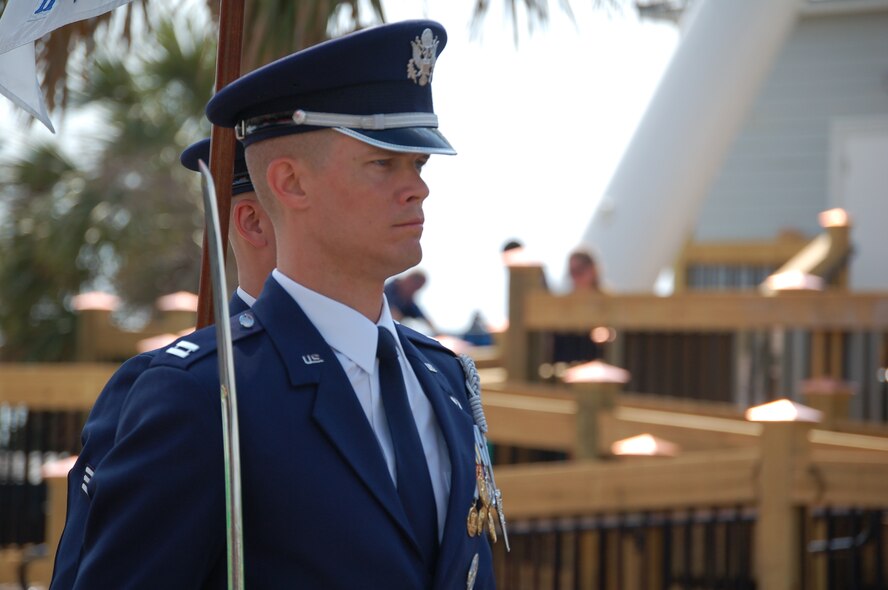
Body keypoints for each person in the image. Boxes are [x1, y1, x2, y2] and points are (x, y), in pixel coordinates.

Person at [69, 20, 498, 590]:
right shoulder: (203, 396)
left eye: (417, 166)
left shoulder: (444, 378)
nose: (418, 188)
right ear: (291, 184)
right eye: (382, 163)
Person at [49, 138, 276, 589]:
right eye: (377, 165)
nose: (417, 190)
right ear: (251, 219)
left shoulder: (431, 376)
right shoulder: (171, 384)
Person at [550, 248, 604, 366]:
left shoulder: (608, 301)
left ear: (592, 270)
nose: (575, 276)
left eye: (580, 270)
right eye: (572, 272)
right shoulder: (563, 303)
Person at [384, 269, 437, 334]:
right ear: (409, 281)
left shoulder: (407, 301)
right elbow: (392, 314)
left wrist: (437, 332)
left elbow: (423, 318)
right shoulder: (386, 290)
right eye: (415, 287)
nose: (414, 292)